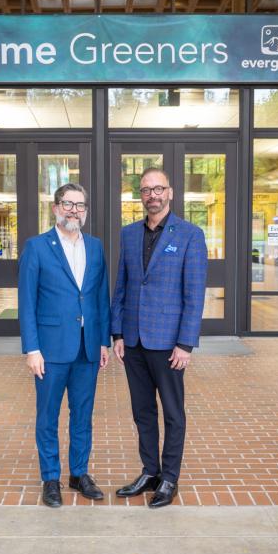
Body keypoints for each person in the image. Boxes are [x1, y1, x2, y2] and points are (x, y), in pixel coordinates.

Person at [111, 168, 207, 508]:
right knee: (142, 411)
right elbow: (121, 285)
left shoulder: (190, 235)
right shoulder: (129, 234)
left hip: (169, 344)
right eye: (146, 190)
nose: (152, 195)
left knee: (172, 412)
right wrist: (118, 332)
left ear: (170, 192)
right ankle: (150, 471)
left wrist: (185, 343)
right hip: (134, 341)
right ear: (141, 196)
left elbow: (194, 294)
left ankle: (169, 478)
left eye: (158, 189)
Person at [19, 183, 110, 508]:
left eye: (80, 205)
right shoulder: (38, 247)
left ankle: (79, 473)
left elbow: (100, 296)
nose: (74, 210)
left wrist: (103, 341)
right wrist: (32, 349)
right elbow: (27, 301)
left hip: (87, 348)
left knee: (82, 415)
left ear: (86, 210)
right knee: (48, 416)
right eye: (68, 204)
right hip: (50, 350)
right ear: (56, 208)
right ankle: (50, 478)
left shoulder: (96, 247)